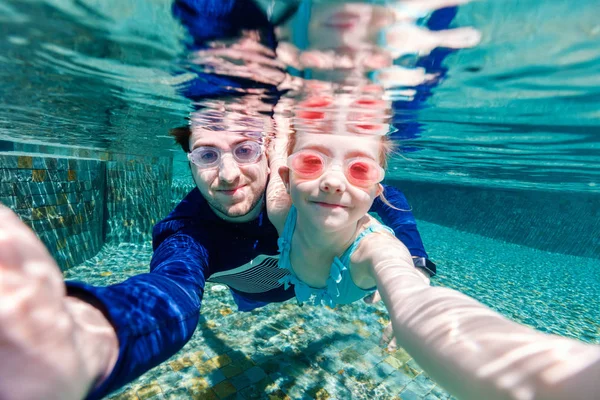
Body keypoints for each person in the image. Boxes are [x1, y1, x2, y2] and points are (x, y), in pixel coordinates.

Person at [265, 98, 600, 400]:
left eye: (359, 169)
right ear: (286, 177)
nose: (333, 181)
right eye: (311, 162)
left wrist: (554, 380)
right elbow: (279, 148)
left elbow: (416, 302)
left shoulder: (376, 250)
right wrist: (281, 118)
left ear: (375, 193)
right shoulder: (279, 207)